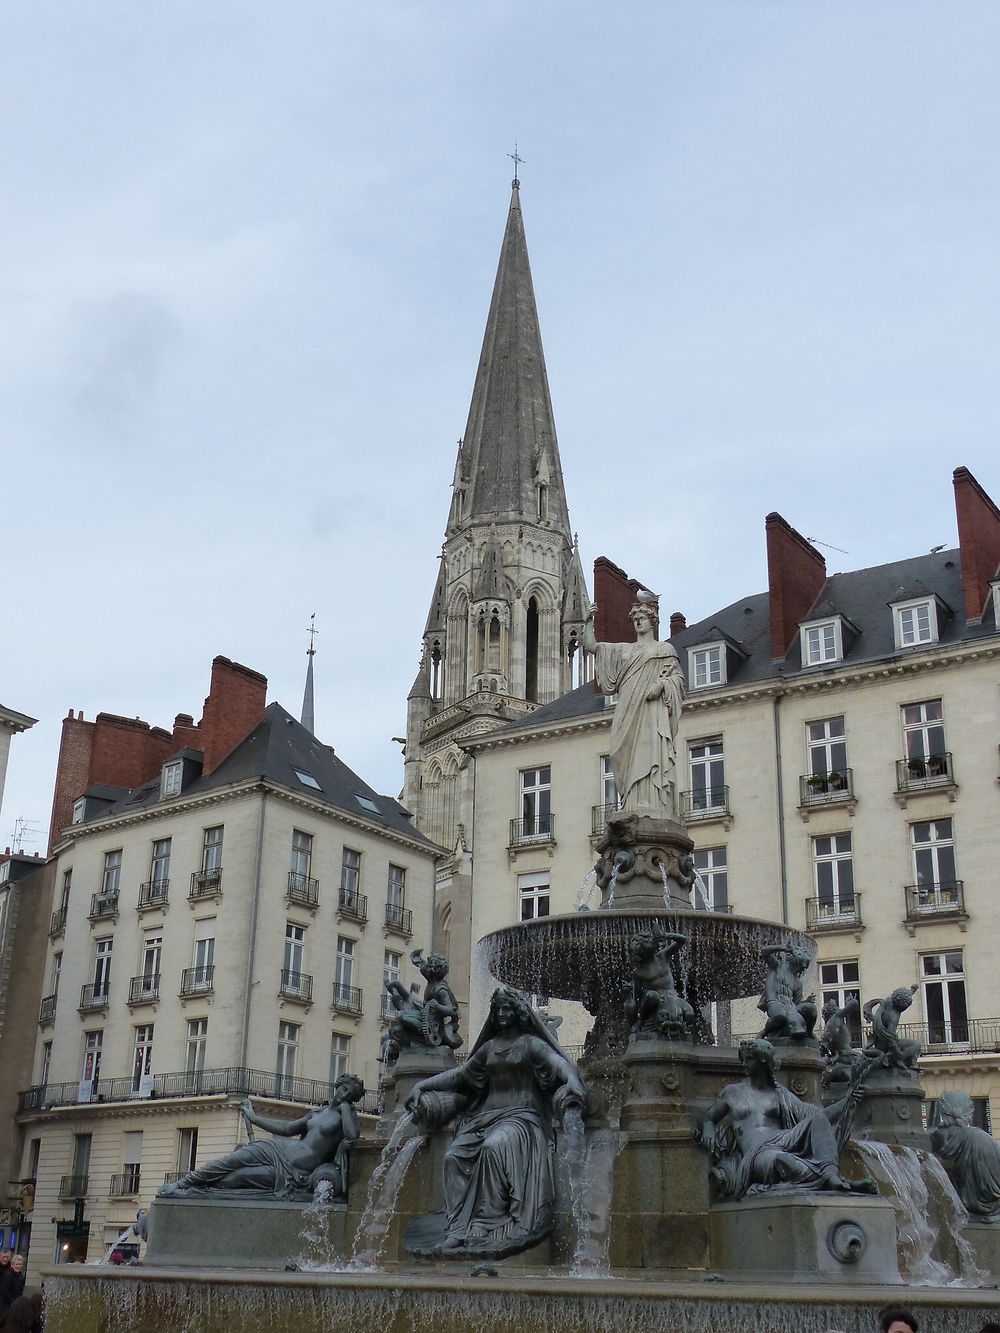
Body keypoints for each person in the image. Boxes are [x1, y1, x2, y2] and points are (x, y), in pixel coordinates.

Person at [405, 986, 588, 1259]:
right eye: (498, 1009)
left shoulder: (531, 1045)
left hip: (522, 1118)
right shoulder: (489, 1048)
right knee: (453, 1156)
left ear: (518, 1013)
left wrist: (573, 1080)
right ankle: (457, 1228)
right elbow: (459, 1075)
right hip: (485, 1118)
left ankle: (485, 1222)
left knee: (493, 1146)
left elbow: (559, 1064)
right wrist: (423, 1085)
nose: (502, 1014)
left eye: (507, 1009)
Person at [699, 1038, 874, 1200]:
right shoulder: (732, 1092)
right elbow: (709, 1117)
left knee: (817, 1121)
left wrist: (848, 1100)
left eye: (749, 1059)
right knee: (784, 1161)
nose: (744, 1064)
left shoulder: (780, 1094)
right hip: (757, 1153)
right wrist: (708, 1128)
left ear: (763, 1061)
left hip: (784, 1139)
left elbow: (819, 1117)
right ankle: (832, 1181)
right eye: (743, 1059)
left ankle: (832, 1175)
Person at [158, 1073, 365, 1200]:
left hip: (294, 1172)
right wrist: (253, 1118)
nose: (345, 1095)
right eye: (344, 1089)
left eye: (350, 1095)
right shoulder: (317, 1113)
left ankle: (197, 1191)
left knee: (237, 1177)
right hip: (279, 1149)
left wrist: (347, 1108)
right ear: (337, 1086)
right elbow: (286, 1128)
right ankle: (183, 1184)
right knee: (232, 1160)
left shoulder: (344, 1115)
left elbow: (353, 1137)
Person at [582, 599, 685, 819]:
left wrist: (660, 686)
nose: (638, 623)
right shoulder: (624, 651)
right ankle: (630, 800)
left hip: (650, 711)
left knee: (649, 751)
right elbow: (592, 646)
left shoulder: (664, 649)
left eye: (642, 619)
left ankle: (653, 801)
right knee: (622, 752)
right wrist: (588, 621)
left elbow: (677, 679)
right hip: (627, 709)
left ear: (652, 621)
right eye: (635, 620)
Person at [930, 1090, 1000, 1220]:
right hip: (989, 1203)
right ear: (960, 1111)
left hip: (959, 1202)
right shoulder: (978, 1136)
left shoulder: (934, 1137)